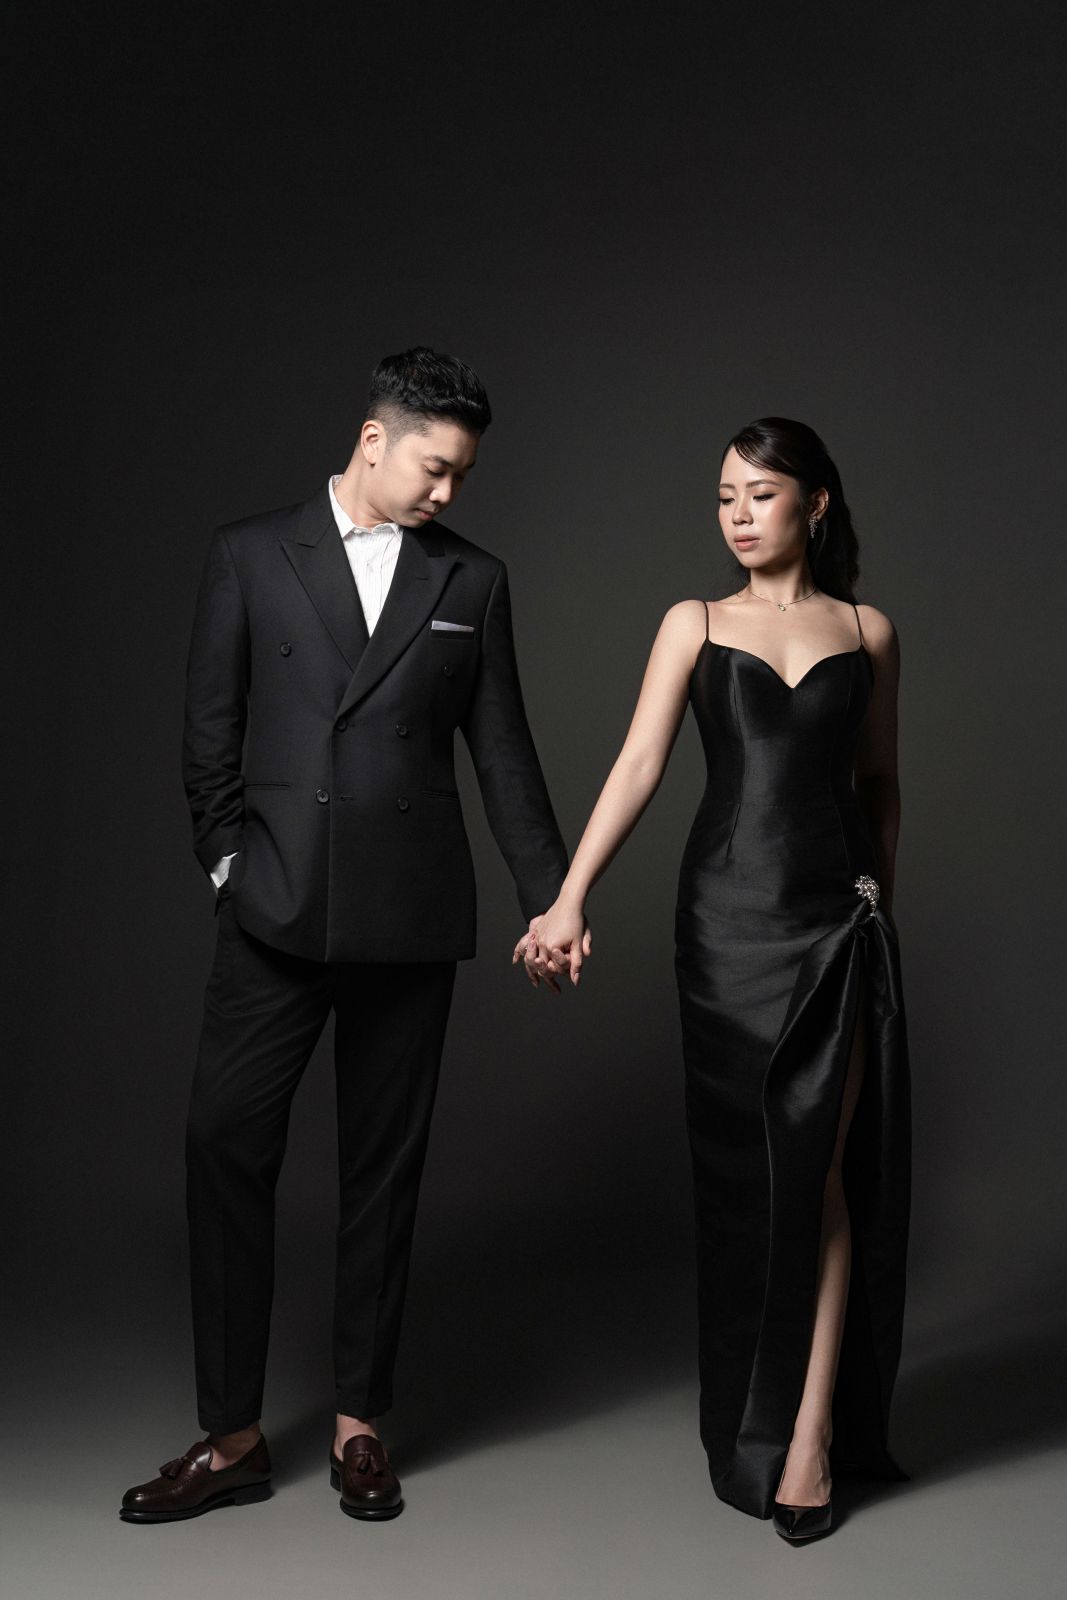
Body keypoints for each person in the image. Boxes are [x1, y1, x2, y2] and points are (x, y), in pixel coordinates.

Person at [121, 347, 570, 1524]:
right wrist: (230, 865)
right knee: (224, 1146)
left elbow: (504, 755)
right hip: (273, 910)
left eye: (462, 476)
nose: (448, 493)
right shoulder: (249, 551)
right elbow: (208, 733)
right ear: (374, 440)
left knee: (382, 1172)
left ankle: (360, 1423)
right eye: (435, 468)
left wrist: (552, 895)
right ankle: (230, 1436)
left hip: (409, 917)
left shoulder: (472, 580)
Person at [518, 417, 911, 1542]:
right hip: (723, 928)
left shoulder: (867, 631)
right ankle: (753, 1416)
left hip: (836, 928)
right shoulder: (690, 622)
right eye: (724, 497)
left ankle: (810, 1437)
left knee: (822, 1175)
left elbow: (880, 784)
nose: (737, 515)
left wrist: (880, 913)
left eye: (760, 494)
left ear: (815, 504)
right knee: (750, 1180)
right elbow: (638, 762)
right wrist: (568, 897)